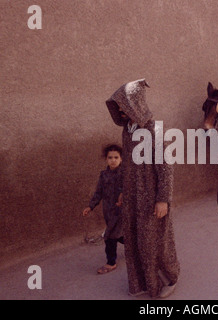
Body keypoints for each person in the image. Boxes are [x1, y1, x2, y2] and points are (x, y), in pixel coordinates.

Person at [105, 79, 180, 299]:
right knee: (136, 239)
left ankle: (170, 277)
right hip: (132, 196)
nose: (119, 109)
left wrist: (163, 199)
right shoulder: (128, 130)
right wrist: (123, 191)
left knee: (156, 241)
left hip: (152, 196)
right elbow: (127, 165)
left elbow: (165, 167)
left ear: (134, 103)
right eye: (118, 105)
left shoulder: (154, 130)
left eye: (123, 104)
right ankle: (144, 283)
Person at [83, 144, 124, 274]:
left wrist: (124, 197)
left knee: (109, 236)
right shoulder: (104, 175)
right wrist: (91, 206)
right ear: (106, 159)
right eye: (110, 157)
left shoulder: (125, 174)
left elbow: (131, 190)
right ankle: (139, 249)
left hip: (121, 212)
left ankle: (110, 263)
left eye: (116, 157)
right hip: (108, 211)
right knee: (120, 235)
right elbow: (98, 192)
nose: (113, 160)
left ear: (121, 159)